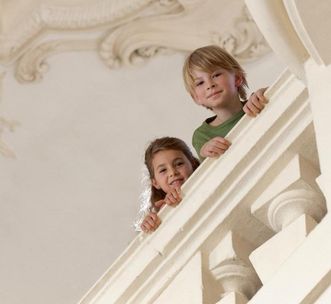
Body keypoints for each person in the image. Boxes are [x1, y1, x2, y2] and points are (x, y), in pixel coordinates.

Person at [182, 45, 268, 160]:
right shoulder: (202, 136)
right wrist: (205, 152)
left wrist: (266, 94)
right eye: (200, 83)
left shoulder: (257, 103)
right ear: (196, 97)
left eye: (216, 75)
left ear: (237, 78)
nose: (210, 85)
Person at [139, 137, 200, 233]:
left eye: (179, 164)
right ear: (155, 182)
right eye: (163, 170)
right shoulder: (160, 212)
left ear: (192, 163)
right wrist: (152, 222)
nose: (172, 172)